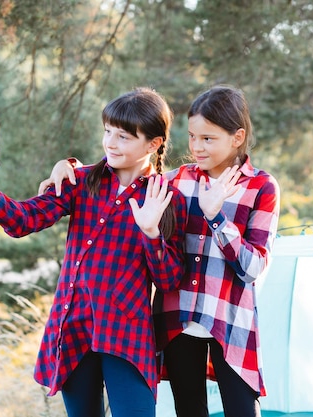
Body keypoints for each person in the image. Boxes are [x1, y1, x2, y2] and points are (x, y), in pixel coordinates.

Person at [38, 85, 280, 417]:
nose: (196, 147)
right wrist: (66, 166)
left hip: (229, 320)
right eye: (193, 136)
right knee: (189, 410)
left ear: (236, 137)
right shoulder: (176, 181)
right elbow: (124, 171)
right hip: (176, 321)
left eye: (208, 139)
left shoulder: (261, 187)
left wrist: (216, 217)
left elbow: (253, 268)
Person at [0, 87, 187, 417]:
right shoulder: (80, 181)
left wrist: (151, 232)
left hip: (125, 334)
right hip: (73, 327)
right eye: (107, 131)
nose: (110, 143)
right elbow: (23, 220)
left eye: (123, 137)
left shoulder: (167, 198)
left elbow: (169, 280)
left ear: (152, 144)